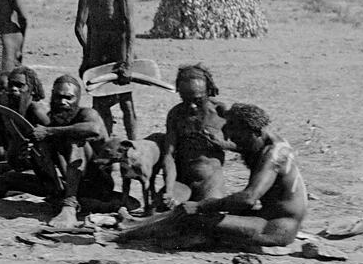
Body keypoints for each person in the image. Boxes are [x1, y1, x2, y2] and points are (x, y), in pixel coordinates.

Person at [106, 103, 307, 250]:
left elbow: (248, 198)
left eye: (237, 138)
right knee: (188, 213)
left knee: (194, 218)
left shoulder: (274, 156)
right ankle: (134, 225)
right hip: (267, 216)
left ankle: (122, 235)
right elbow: (248, 155)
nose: (233, 142)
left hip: (275, 228)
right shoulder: (267, 142)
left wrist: (203, 205)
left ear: (253, 132)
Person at [0, 73, 106, 231]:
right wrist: (27, 152)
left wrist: (49, 132)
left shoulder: (86, 114)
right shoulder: (53, 119)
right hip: (62, 186)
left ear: (78, 99)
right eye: (58, 97)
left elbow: (94, 129)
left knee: (75, 140)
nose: (62, 102)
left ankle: (69, 207)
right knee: (9, 177)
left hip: (96, 185)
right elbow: (17, 163)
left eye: (68, 98)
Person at [76, 0, 138, 140]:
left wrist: (128, 62)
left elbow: (129, 25)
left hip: (118, 50)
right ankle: (105, 145)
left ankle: (133, 146)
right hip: (97, 51)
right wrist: (88, 55)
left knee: (126, 102)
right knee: (99, 102)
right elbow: (81, 28)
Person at [158, 63, 231, 210]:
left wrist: (223, 144)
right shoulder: (176, 114)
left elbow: (248, 148)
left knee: (208, 214)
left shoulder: (222, 112)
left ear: (209, 91)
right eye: (185, 99)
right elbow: (169, 155)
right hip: (182, 182)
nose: (192, 106)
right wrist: (169, 190)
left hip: (210, 181)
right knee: (162, 208)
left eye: (198, 100)